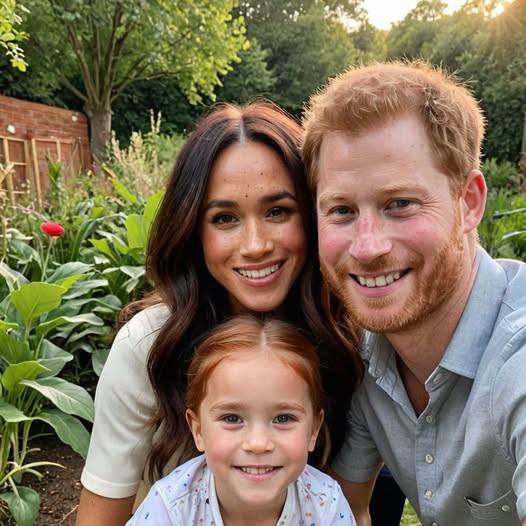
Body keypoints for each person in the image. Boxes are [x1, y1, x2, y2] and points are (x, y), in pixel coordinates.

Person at [76, 102, 360, 525]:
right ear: (193, 230)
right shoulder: (147, 345)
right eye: (224, 217)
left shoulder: (344, 334)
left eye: (278, 211)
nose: (255, 244)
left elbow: (352, 507)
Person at [302, 61, 526, 525]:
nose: (367, 247)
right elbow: (347, 509)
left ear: (469, 202)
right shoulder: (370, 360)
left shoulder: (516, 360)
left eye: (400, 204)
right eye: (341, 210)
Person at [126, 315, 356, 526]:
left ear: (313, 430)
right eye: (232, 418)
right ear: (198, 430)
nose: (258, 444)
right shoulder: (170, 508)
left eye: (283, 418)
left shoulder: (326, 505)